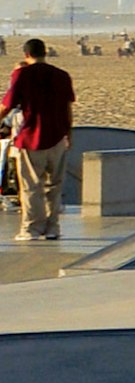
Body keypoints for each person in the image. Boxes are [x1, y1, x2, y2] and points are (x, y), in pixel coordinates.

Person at [4, 37, 75, 243]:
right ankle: (53, 227)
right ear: (45, 52)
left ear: (26, 55)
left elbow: (7, 105)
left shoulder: (22, 75)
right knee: (54, 185)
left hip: (31, 137)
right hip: (58, 137)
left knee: (31, 186)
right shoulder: (62, 76)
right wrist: (68, 133)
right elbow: (67, 108)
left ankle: (31, 228)